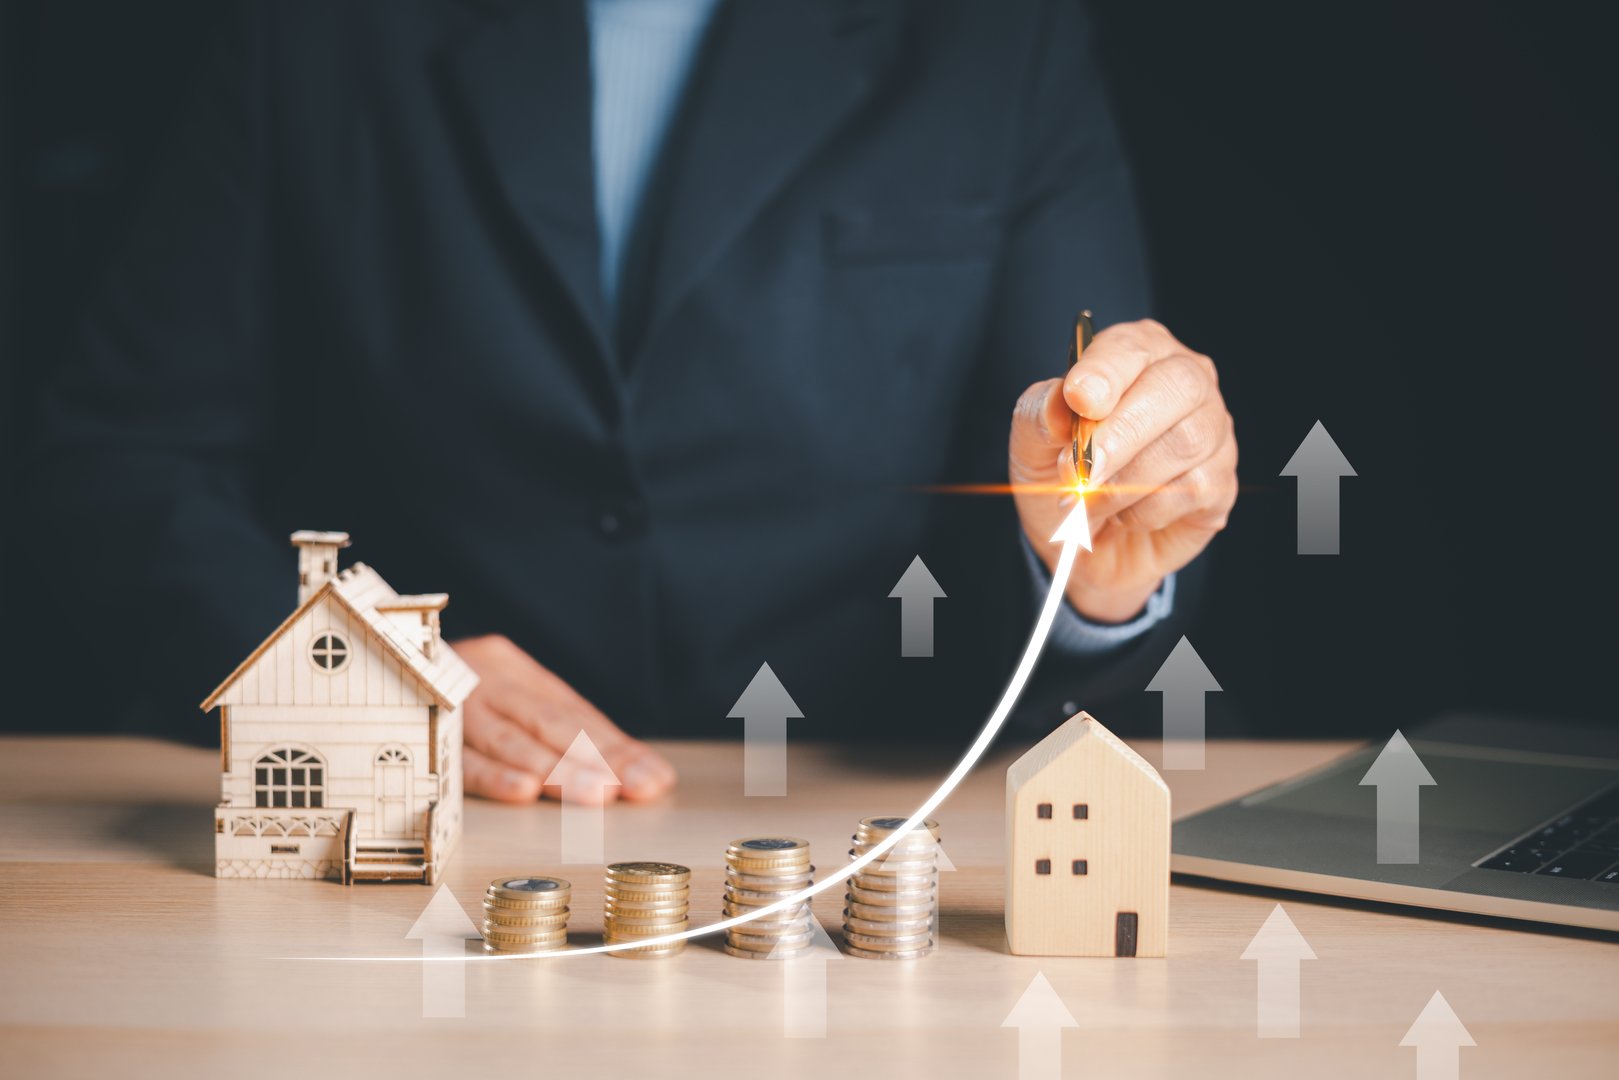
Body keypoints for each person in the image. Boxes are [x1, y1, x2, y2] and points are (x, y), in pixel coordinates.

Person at [28, 0, 1236, 805]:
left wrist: (1090, 568)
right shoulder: (315, 32)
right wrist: (350, 673)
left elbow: (1089, 463)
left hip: (870, 825)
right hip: (421, 837)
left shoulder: (998, 41)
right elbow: (113, 461)